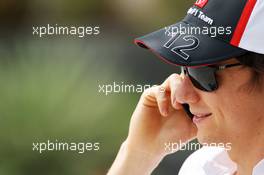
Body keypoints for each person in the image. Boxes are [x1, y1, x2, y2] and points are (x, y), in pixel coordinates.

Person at [108, 0, 264, 174]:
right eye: (186, 67)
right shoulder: (202, 166)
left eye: (203, 72)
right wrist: (138, 154)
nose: (181, 95)